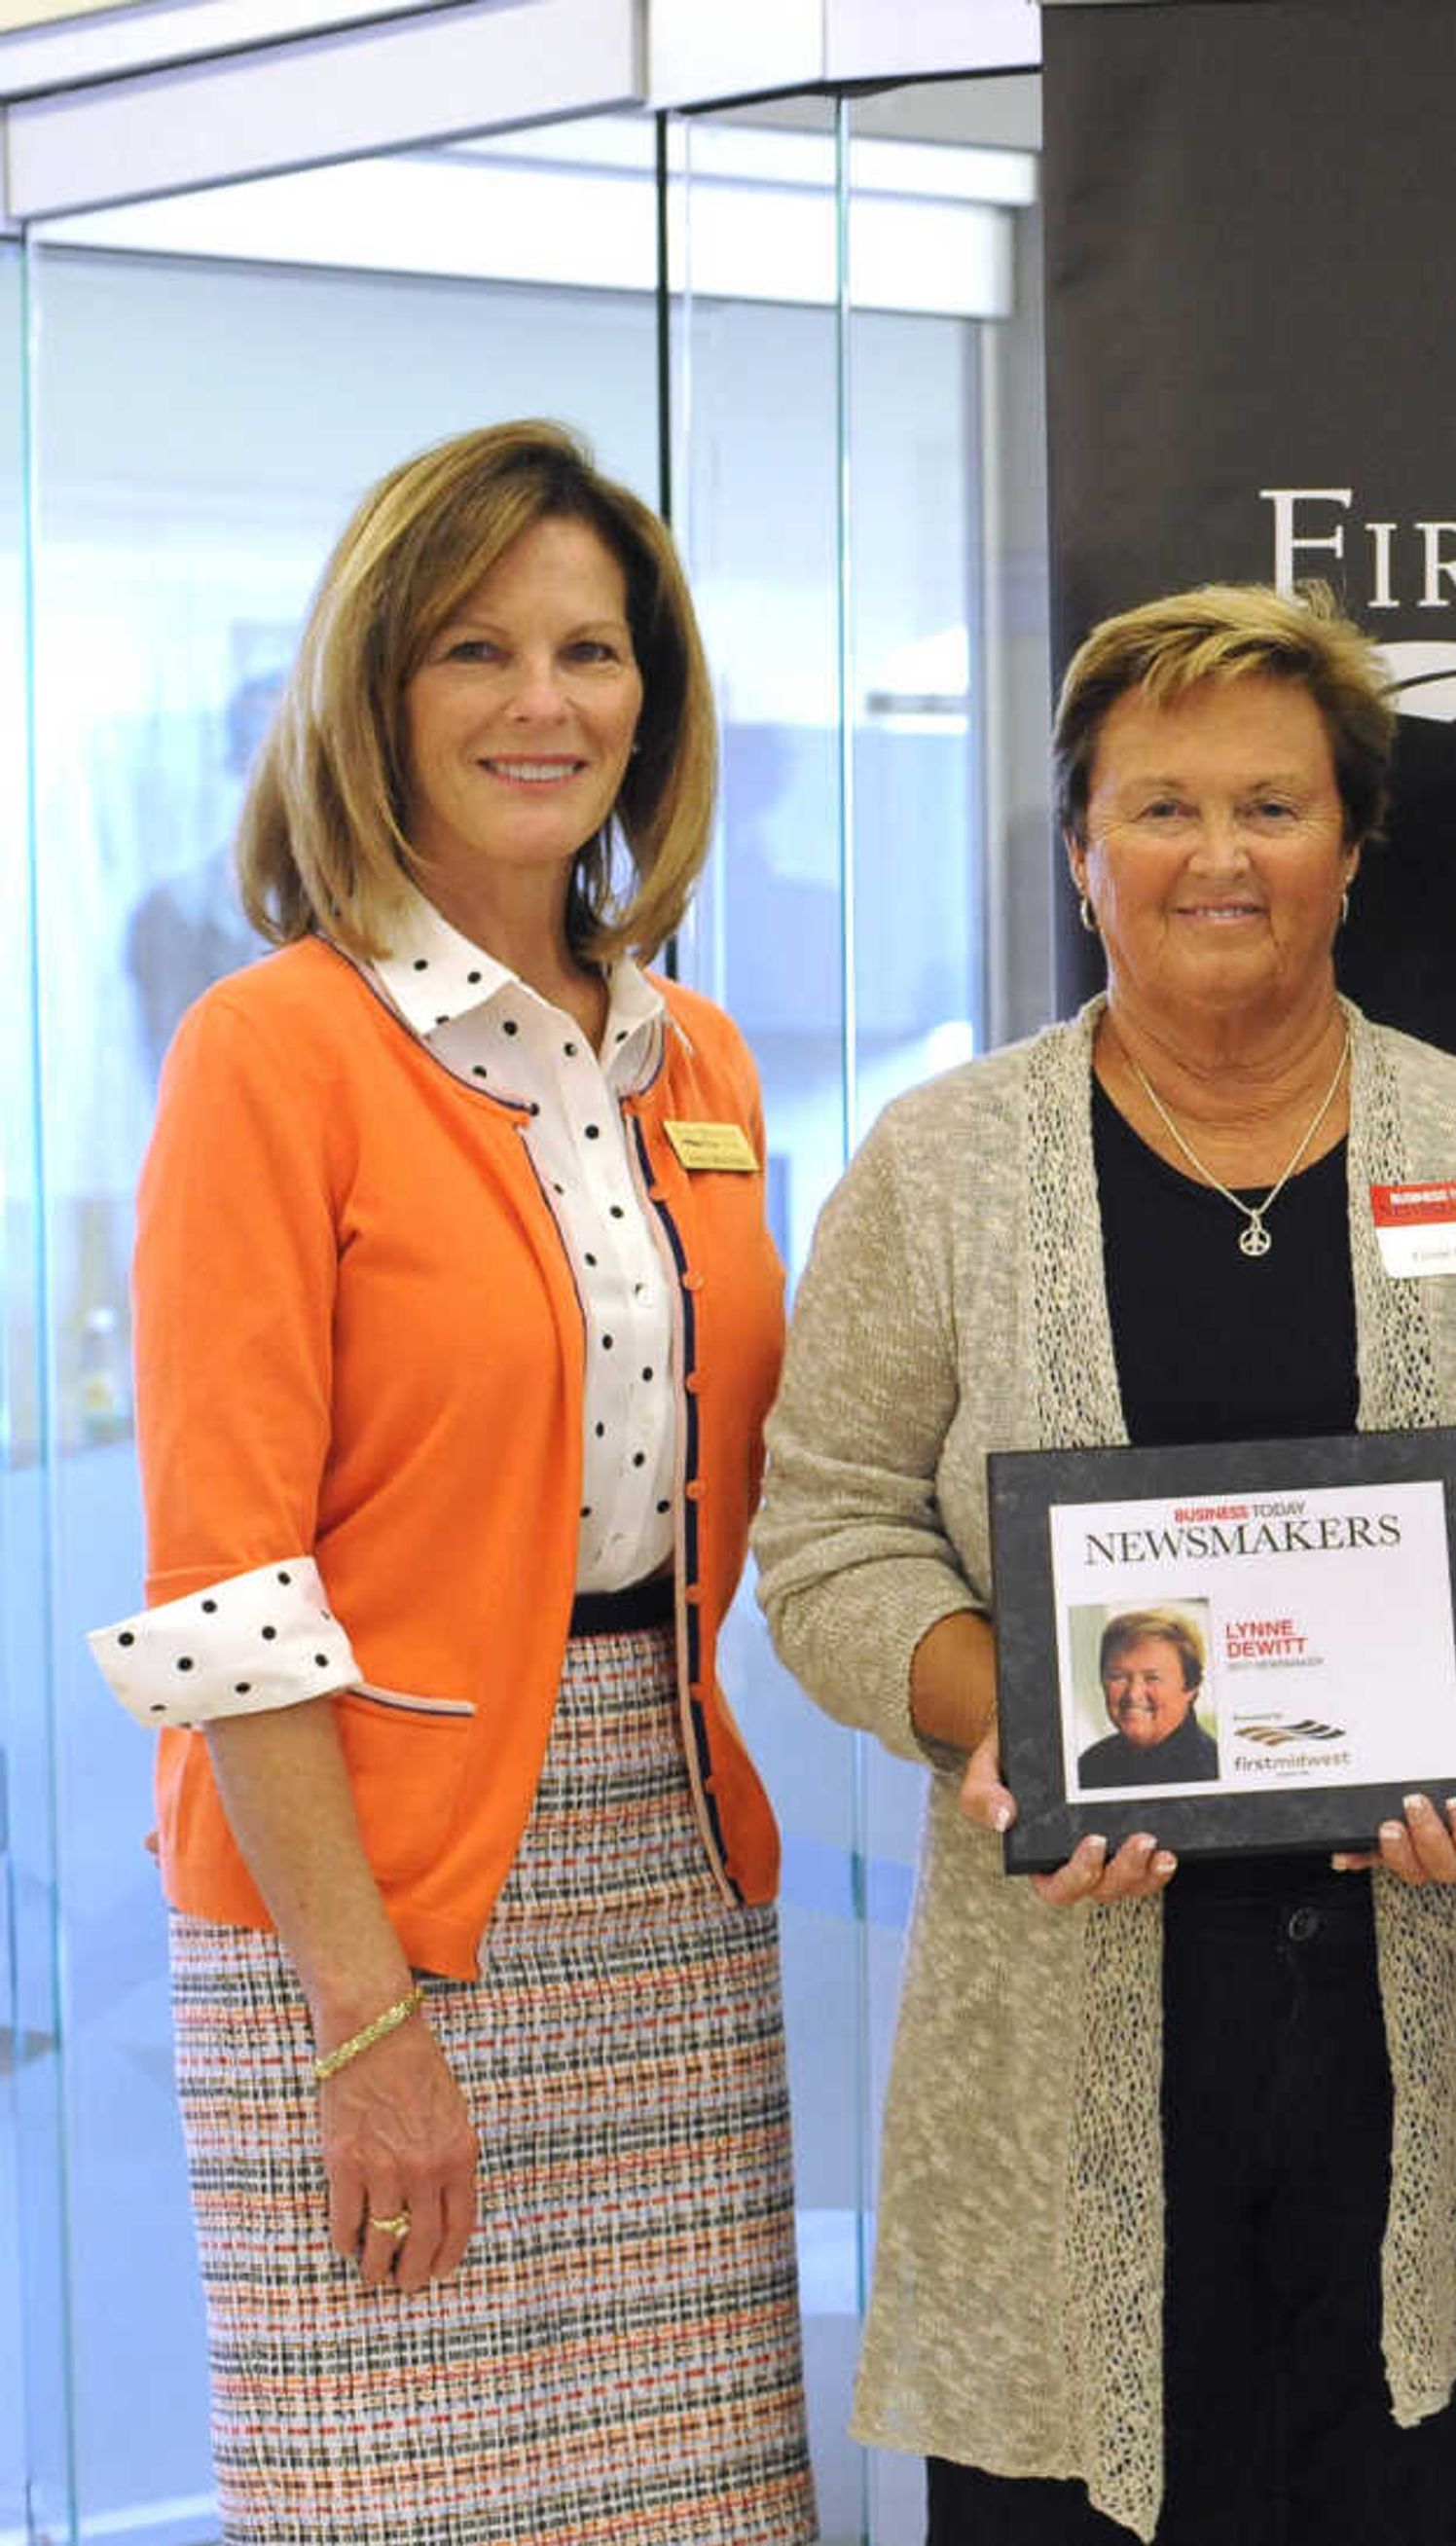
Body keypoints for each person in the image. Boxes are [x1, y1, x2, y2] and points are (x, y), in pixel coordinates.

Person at [752, 581, 1456, 2545]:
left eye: (1271, 805)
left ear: (1352, 846)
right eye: (1159, 807)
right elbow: (822, 1538)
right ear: (1081, 852)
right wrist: (1020, 1730)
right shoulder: (943, 1171)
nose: (1216, 855)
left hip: (1432, 1996)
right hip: (1064, 1992)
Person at [84, 418, 811, 2543]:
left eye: (594, 654)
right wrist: (362, 2020)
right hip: (366, 1908)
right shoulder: (273, 1050)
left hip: (664, 1881)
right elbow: (229, 1592)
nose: (544, 705)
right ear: (374, 693)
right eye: (476, 651)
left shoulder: (703, 1058)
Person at [1075, 1606, 1219, 1789]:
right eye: (1118, 1677)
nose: (1133, 1694)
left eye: (1152, 1678)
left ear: (1191, 1687)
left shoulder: (1211, 1772)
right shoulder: (1090, 1765)